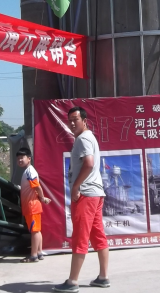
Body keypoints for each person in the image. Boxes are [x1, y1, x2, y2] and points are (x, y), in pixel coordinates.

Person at [54, 107, 109, 292]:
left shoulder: (83, 139)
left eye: (75, 119)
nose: (71, 123)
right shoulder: (90, 137)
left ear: (84, 120)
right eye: (69, 120)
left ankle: (72, 282)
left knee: (80, 236)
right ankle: (103, 277)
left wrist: (76, 186)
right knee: (98, 235)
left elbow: (89, 163)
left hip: (86, 194)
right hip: (96, 193)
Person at [16, 148, 51, 263]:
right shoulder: (28, 171)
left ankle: (33, 255)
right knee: (37, 230)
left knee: (35, 231)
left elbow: (37, 186)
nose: (20, 160)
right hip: (32, 206)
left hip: (32, 206)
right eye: (18, 158)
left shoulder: (30, 171)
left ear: (29, 158)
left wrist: (42, 197)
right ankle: (39, 253)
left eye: (22, 157)